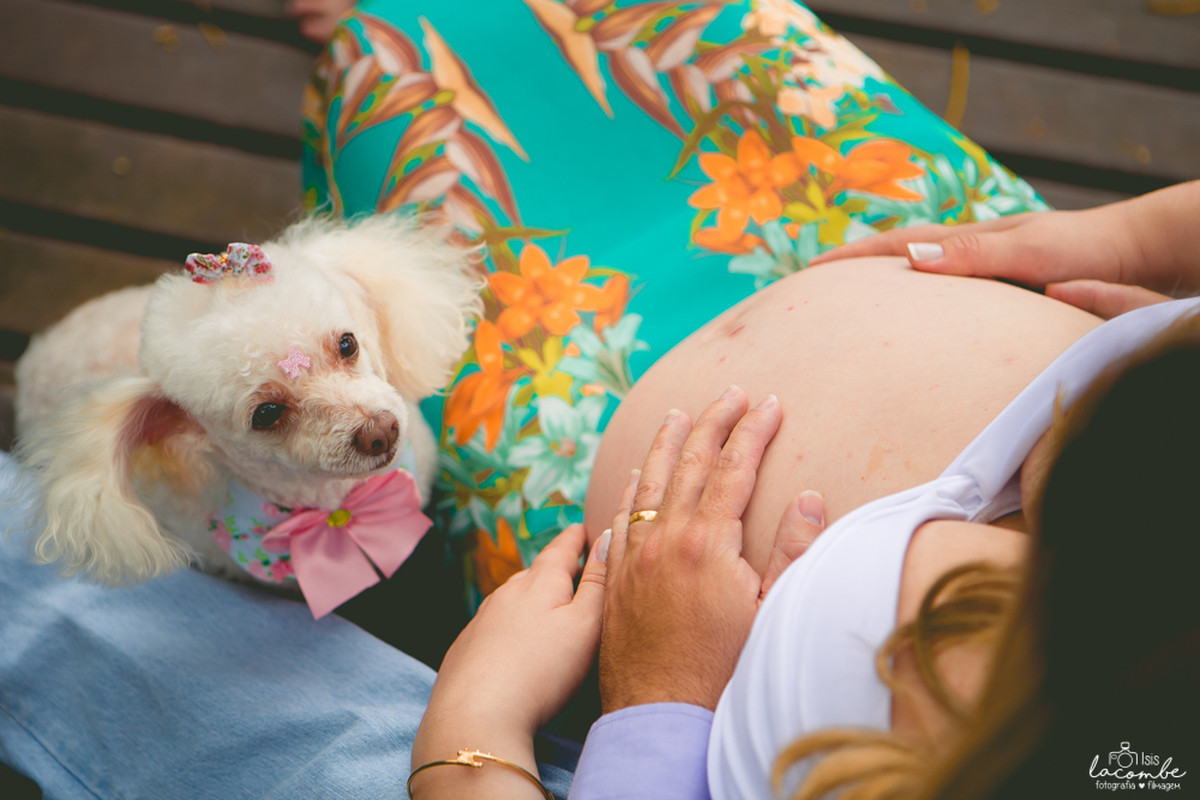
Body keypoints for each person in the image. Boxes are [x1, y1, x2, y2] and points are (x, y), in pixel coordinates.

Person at [3, 0, 1197, 791]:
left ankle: (382, 45)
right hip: (898, 221)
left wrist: (522, 729)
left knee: (417, 133)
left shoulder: (1118, 757)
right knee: (669, 26)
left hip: (582, 473)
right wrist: (1128, 238)